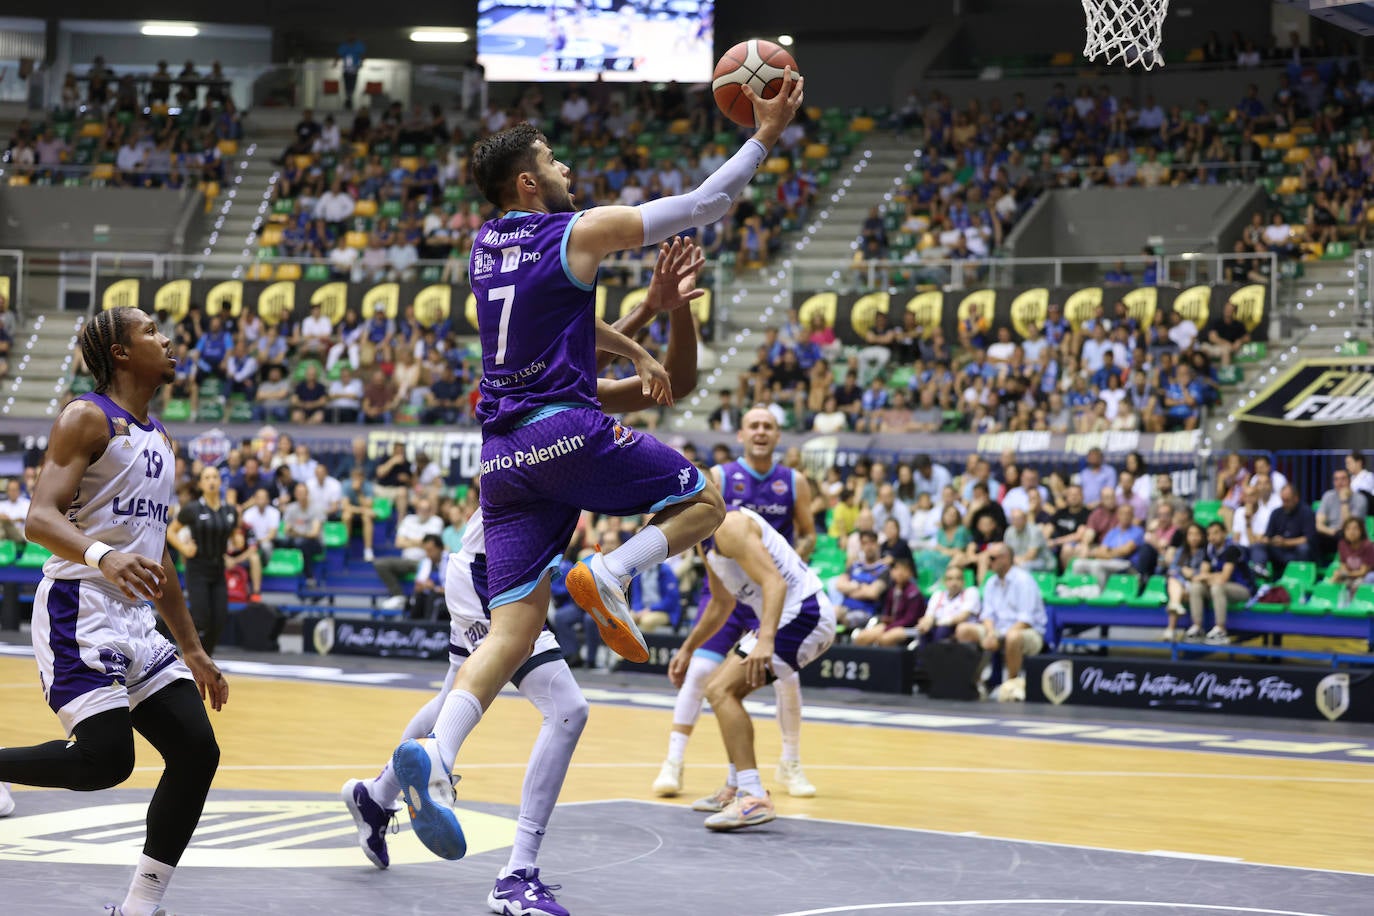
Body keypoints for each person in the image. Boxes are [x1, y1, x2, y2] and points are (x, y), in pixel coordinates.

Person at [388, 76, 804, 860]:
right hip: (564, 433)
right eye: (552, 160)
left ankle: (437, 759)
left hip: (503, 460)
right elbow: (704, 204)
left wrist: (641, 329)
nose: (567, 169)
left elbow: (571, 326)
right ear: (527, 181)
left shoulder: (483, 249)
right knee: (707, 503)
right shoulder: (570, 232)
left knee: (510, 632)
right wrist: (766, 133)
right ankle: (612, 571)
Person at [343, 240, 703, 915]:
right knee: (565, 708)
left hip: (484, 561)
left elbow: (658, 380)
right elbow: (593, 352)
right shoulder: (545, 386)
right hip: (490, 565)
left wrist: (656, 312)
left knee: (460, 688)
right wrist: (645, 325)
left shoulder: (563, 392)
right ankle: (516, 875)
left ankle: (377, 794)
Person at [0, 307, 226, 916]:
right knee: (106, 761)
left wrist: (193, 648)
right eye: (151, 331)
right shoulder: (86, 416)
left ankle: (139, 906)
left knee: (197, 751)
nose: (167, 339)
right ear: (121, 353)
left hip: (134, 618)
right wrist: (103, 556)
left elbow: (156, 559)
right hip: (80, 604)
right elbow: (38, 518)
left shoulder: (160, 439)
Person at [653, 405, 819, 801]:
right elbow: (701, 529)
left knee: (788, 680)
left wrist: (788, 559)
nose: (762, 431)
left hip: (771, 591)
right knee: (698, 674)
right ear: (741, 435)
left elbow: (809, 534)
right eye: (754, 425)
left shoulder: (794, 481)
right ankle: (673, 763)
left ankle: (790, 763)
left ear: (778, 436)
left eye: (769, 426)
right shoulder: (721, 477)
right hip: (728, 594)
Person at [668, 508, 836, 830]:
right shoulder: (707, 540)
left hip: (804, 614)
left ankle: (753, 795)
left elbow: (774, 582)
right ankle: (736, 787)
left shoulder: (730, 526)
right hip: (791, 616)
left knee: (721, 690)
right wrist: (688, 648)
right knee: (719, 689)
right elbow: (721, 604)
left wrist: (766, 640)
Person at [167, 465, 238, 655]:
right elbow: (170, 531)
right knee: (201, 619)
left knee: (220, 619)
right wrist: (184, 548)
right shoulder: (192, 509)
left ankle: (206, 658)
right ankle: (191, 656)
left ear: (220, 482)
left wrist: (236, 544)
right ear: (201, 484)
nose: (212, 481)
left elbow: (235, 537)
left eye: (215, 477)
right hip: (198, 568)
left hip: (218, 569)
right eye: (207, 478)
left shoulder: (229, 511)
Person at [955, 543, 1046, 689]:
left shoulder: (1024, 581)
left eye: (991, 558)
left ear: (1005, 559)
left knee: (1013, 637)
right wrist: (991, 633)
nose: (988, 562)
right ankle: (970, 682)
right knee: (963, 629)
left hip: (1028, 632)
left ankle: (1011, 685)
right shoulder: (991, 582)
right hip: (998, 630)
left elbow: (1025, 620)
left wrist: (999, 636)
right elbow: (987, 615)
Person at [1190, 521, 1255, 644]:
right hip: (1219, 587)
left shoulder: (1232, 549)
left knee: (1217, 587)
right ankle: (1197, 627)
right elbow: (1201, 575)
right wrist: (1208, 577)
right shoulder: (1209, 550)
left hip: (1242, 589)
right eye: (1209, 534)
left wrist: (1207, 577)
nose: (1212, 537)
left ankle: (1221, 629)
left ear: (1225, 533)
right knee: (1196, 587)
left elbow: (1224, 577)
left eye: (1216, 533)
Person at [852, 556, 925, 647]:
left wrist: (888, 627)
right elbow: (889, 614)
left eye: (903, 570)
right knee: (862, 637)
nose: (899, 573)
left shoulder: (913, 593)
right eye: (896, 569)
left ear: (910, 573)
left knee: (884, 639)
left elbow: (909, 620)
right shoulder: (892, 590)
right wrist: (884, 621)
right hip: (893, 625)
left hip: (910, 628)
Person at [1163, 522, 1207, 641]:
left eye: (1197, 534)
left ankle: (1171, 629)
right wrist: (1183, 571)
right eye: (1190, 534)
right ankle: (1176, 604)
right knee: (1173, 580)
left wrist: (1192, 574)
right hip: (1180, 586)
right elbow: (1172, 569)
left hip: (1197, 587)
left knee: (1175, 592)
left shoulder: (1206, 552)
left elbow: (1205, 573)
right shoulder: (1181, 550)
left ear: (1203, 536)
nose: (1193, 537)